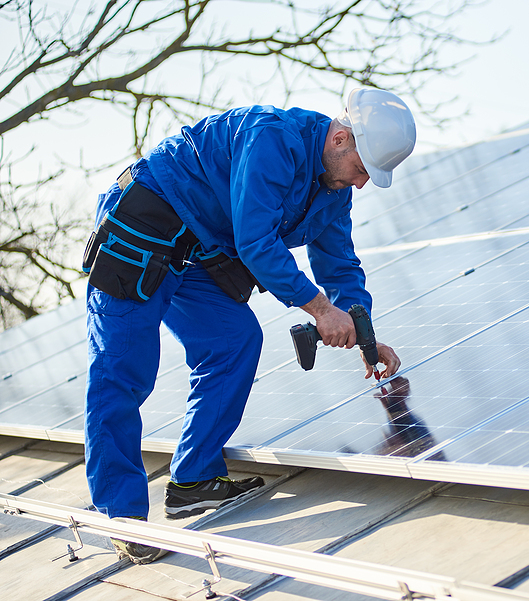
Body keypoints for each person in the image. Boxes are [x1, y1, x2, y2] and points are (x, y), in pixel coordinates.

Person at [81, 88, 415, 564]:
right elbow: (256, 243)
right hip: (141, 229)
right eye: (362, 170)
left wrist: (363, 332)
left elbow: (340, 265)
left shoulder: (332, 189)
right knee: (122, 372)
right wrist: (320, 310)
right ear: (341, 139)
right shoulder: (272, 138)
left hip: (194, 251)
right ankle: (120, 516)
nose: (362, 184)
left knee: (233, 340)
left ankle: (193, 480)